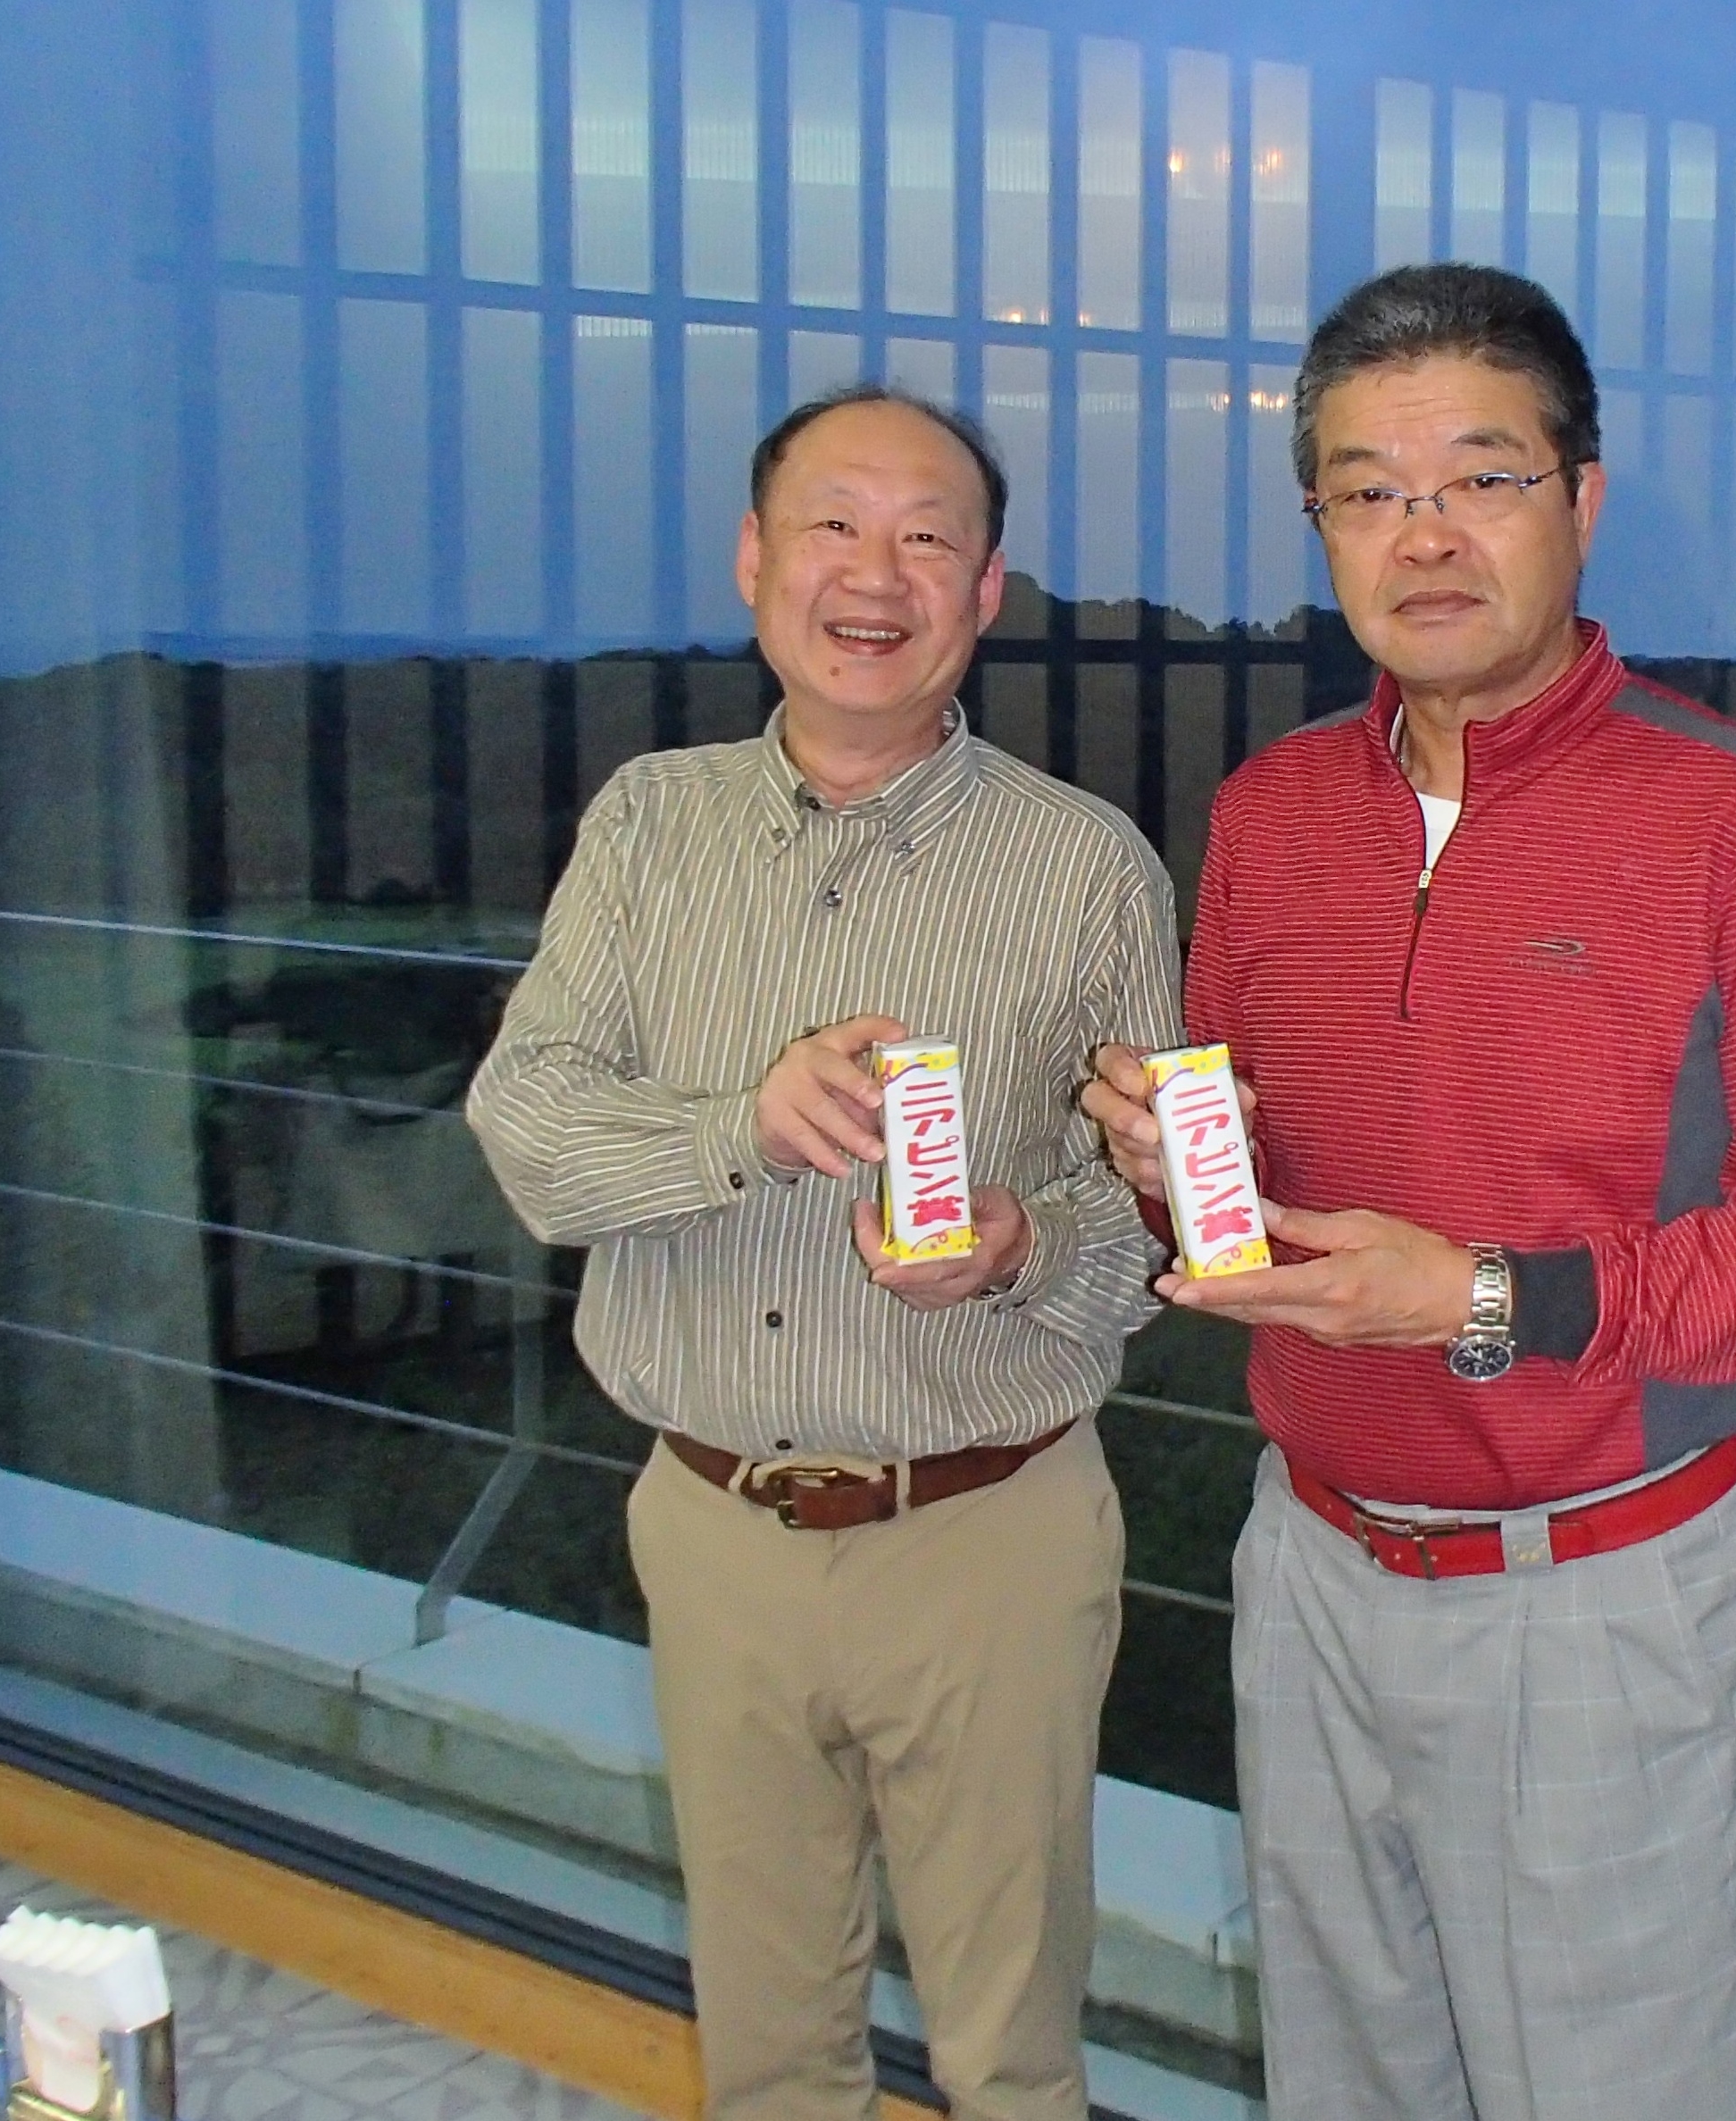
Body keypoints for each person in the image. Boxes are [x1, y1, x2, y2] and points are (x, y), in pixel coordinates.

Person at [1086, 263, 1736, 2120]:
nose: (1425, 534)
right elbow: (1244, 1205)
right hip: (1308, 1559)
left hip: (1598, 1589)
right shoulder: (1271, 811)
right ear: (1320, 526)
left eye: (1481, 477)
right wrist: (1169, 1169)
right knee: (1343, 2079)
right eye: (1368, 490)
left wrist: (1477, 1299)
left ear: (1580, 499)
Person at [468, 383, 1180, 2121]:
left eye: (927, 538)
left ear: (984, 591)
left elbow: (1164, 1216)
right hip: (711, 1523)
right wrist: (741, 1127)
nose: (875, 574)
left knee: (1011, 2058)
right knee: (769, 2050)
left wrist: (1022, 1242)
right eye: (832, 527)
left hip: (990, 1537)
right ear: (753, 558)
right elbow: (527, 1129)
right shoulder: (647, 825)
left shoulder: (1086, 866)